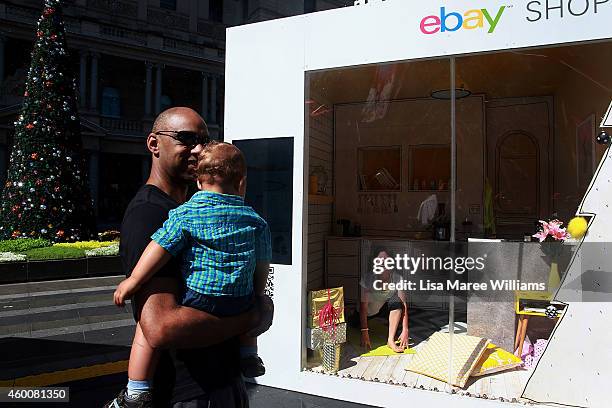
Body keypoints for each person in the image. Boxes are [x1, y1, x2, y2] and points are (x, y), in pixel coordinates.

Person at [104, 107, 272, 408]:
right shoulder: (150, 213)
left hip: (220, 380)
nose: (197, 149)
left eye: (204, 141)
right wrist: (254, 313)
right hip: (190, 392)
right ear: (154, 144)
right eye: (186, 139)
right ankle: (135, 390)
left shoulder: (192, 210)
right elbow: (161, 327)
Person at [354, 247, 409, 353]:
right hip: (366, 313)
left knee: (396, 301)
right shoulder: (368, 279)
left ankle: (390, 340)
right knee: (353, 324)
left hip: (382, 311)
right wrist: (364, 332)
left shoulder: (397, 278)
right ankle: (351, 313)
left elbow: (404, 304)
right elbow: (363, 307)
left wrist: (405, 329)